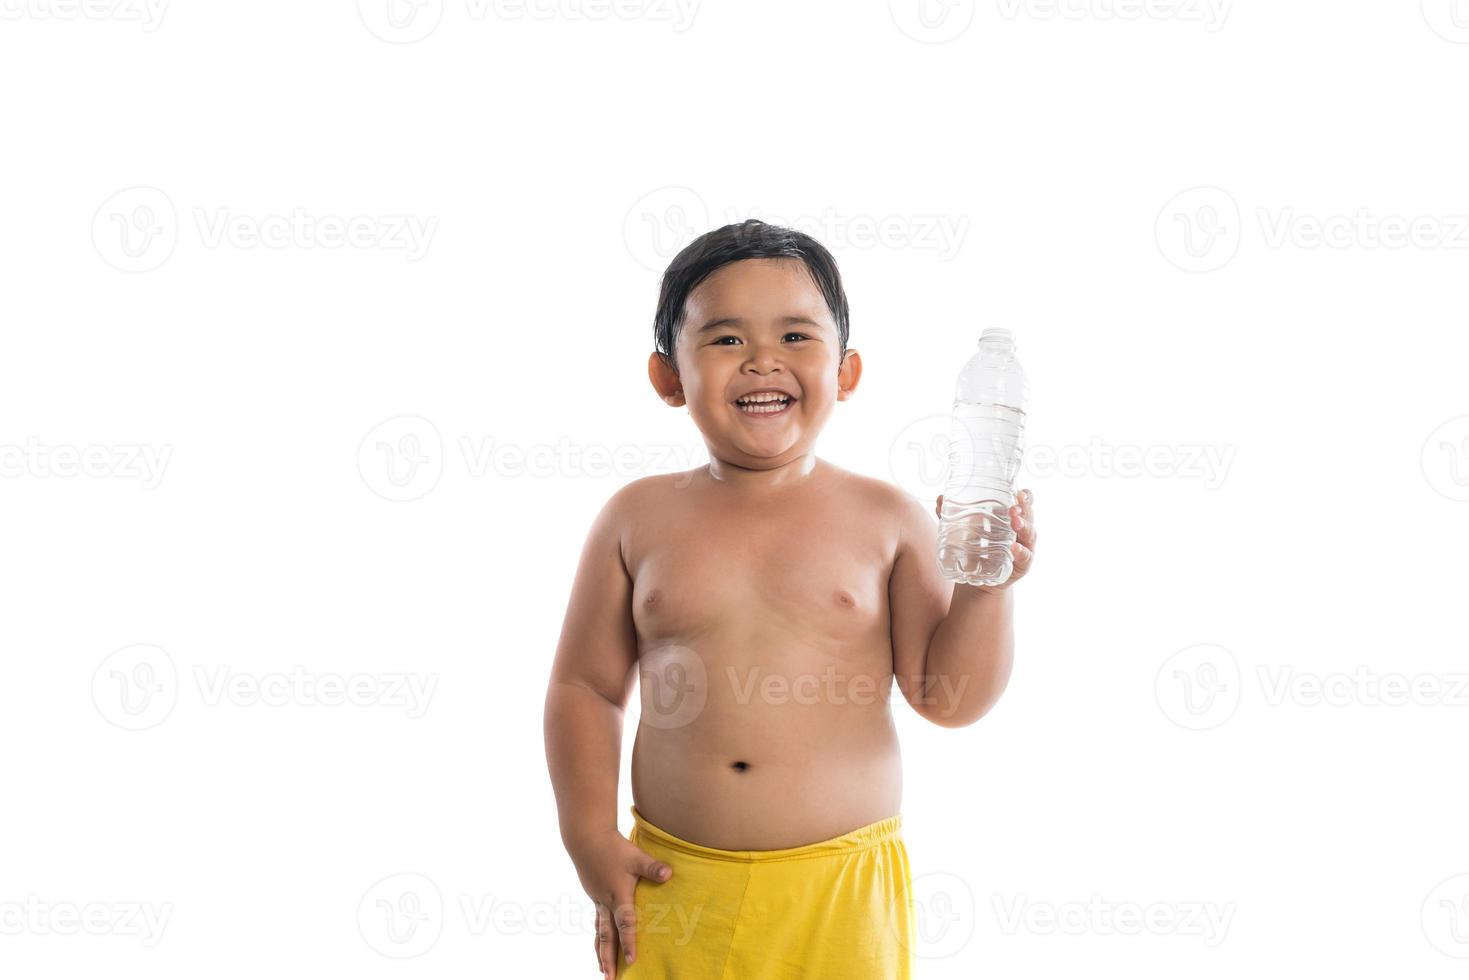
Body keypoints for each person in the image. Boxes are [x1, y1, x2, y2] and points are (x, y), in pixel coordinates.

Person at [544, 219, 1037, 978]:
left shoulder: (887, 519)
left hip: (839, 892)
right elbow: (584, 687)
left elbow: (949, 699)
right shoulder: (636, 517)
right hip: (673, 882)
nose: (763, 360)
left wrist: (984, 593)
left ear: (846, 372)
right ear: (668, 378)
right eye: (726, 340)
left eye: (796, 337)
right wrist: (585, 834)